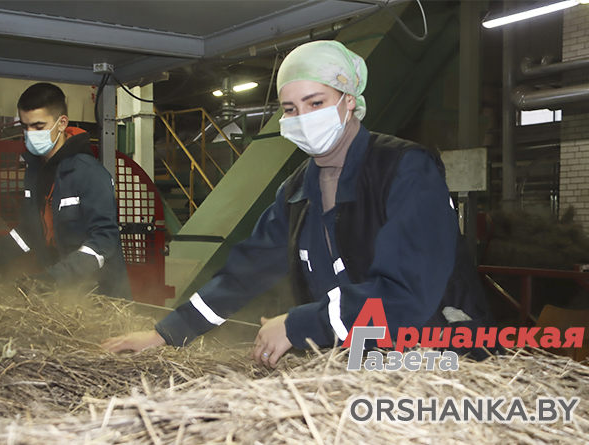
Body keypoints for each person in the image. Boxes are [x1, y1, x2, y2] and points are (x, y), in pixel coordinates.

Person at [101, 41, 493, 364]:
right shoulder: (297, 191)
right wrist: (167, 333)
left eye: (315, 102)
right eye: (290, 109)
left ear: (349, 101)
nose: (302, 117)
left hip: (440, 357)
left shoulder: (405, 170)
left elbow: (407, 292)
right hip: (359, 362)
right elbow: (243, 276)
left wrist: (300, 324)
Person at [0, 82, 131, 300]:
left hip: (100, 296)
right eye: (25, 126)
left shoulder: (89, 173)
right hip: (61, 294)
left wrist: (54, 278)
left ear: (62, 123)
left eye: (39, 126)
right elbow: (29, 233)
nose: (30, 134)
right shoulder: (35, 171)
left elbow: (104, 239)